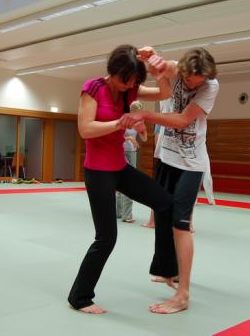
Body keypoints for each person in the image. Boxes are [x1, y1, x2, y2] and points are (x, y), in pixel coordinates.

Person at [68, 44, 174, 315]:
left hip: (119, 167)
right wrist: (120, 123)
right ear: (112, 72)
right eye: (124, 80)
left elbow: (165, 92)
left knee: (164, 202)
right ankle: (80, 297)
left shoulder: (131, 88)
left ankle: (164, 268)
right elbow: (85, 129)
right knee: (107, 237)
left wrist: (155, 66)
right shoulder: (92, 88)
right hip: (97, 171)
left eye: (133, 82)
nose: (128, 86)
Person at [120, 47, 219, 314]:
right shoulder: (178, 68)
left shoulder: (210, 87)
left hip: (191, 162)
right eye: (187, 81)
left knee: (180, 223)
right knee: (162, 215)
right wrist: (153, 61)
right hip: (167, 157)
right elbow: (163, 78)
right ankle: (168, 271)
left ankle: (183, 294)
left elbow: (182, 119)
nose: (190, 86)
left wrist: (146, 115)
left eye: (196, 84)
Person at [116, 101, 147, 223]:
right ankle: (126, 215)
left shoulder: (139, 122)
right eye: (135, 112)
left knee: (123, 182)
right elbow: (116, 135)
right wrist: (129, 138)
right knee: (127, 182)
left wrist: (142, 130)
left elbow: (144, 138)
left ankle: (118, 212)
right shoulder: (125, 119)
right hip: (121, 151)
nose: (137, 114)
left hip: (132, 152)